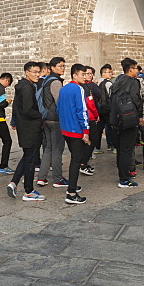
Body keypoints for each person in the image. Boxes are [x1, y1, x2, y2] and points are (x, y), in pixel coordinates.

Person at [7, 62, 45, 201]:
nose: (37, 75)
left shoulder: (21, 87)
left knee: (28, 156)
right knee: (31, 160)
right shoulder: (27, 88)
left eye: (38, 72)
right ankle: (28, 191)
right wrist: (40, 116)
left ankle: (14, 182)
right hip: (30, 128)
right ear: (26, 72)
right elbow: (28, 109)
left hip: (24, 127)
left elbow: (17, 108)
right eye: (34, 72)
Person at [57, 64, 90, 204]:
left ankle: (72, 185)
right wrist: (86, 131)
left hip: (65, 129)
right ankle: (71, 192)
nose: (84, 76)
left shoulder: (63, 89)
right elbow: (82, 110)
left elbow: (58, 108)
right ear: (75, 75)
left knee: (74, 159)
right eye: (82, 74)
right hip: (76, 129)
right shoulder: (78, 89)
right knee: (77, 160)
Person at [111, 58, 142, 187]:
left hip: (116, 119)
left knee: (120, 149)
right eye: (136, 68)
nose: (137, 71)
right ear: (130, 69)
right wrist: (140, 116)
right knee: (126, 150)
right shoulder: (133, 82)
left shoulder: (117, 82)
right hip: (128, 119)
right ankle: (124, 178)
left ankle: (122, 174)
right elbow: (136, 100)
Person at [37, 57, 66, 189]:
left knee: (48, 149)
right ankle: (57, 178)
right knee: (57, 150)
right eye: (60, 66)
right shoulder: (55, 82)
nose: (63, 68)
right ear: (52, 68)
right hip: (55, 119)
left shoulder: (45, 80)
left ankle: (42, 178)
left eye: (64, 66)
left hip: (46, 118)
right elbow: (60, 102)